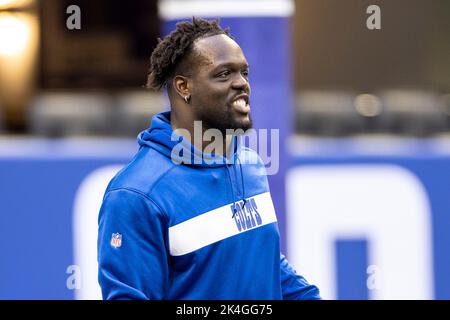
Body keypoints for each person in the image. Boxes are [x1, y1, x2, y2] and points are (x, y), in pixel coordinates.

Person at [97, 17, 320, 300]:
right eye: (224, 74)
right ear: (183, 87)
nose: (242, 84)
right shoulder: (135, 194)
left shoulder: (249, 164)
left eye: (244, 73)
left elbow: (266, 266)